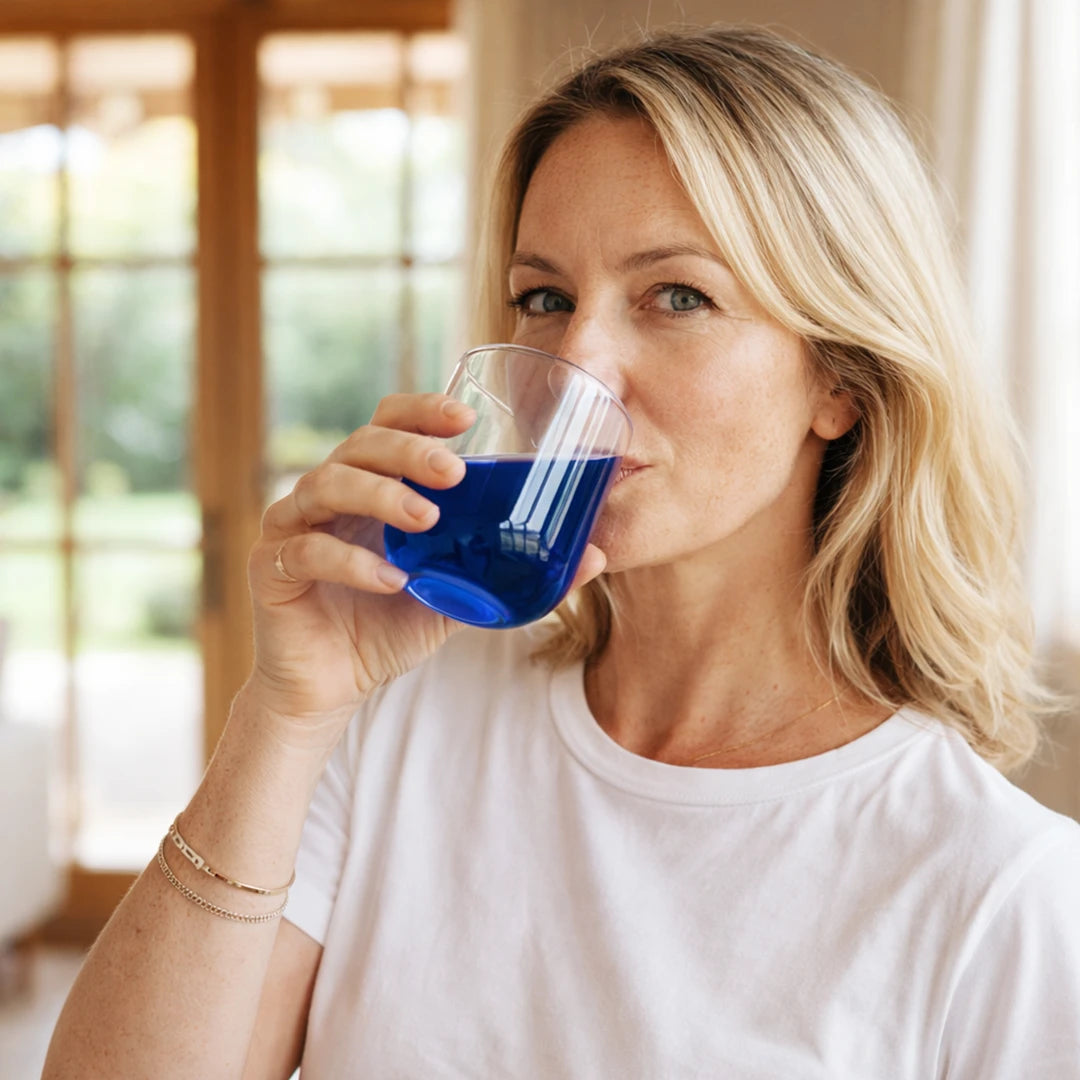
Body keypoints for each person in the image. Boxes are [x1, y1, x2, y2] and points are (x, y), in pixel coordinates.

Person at [45, 25, 1080, 1079]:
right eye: (545, 298)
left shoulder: (1000, 892)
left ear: (840, 381)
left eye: (678, 296)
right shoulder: (398, 723)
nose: (577, 360)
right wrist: (285, 709)